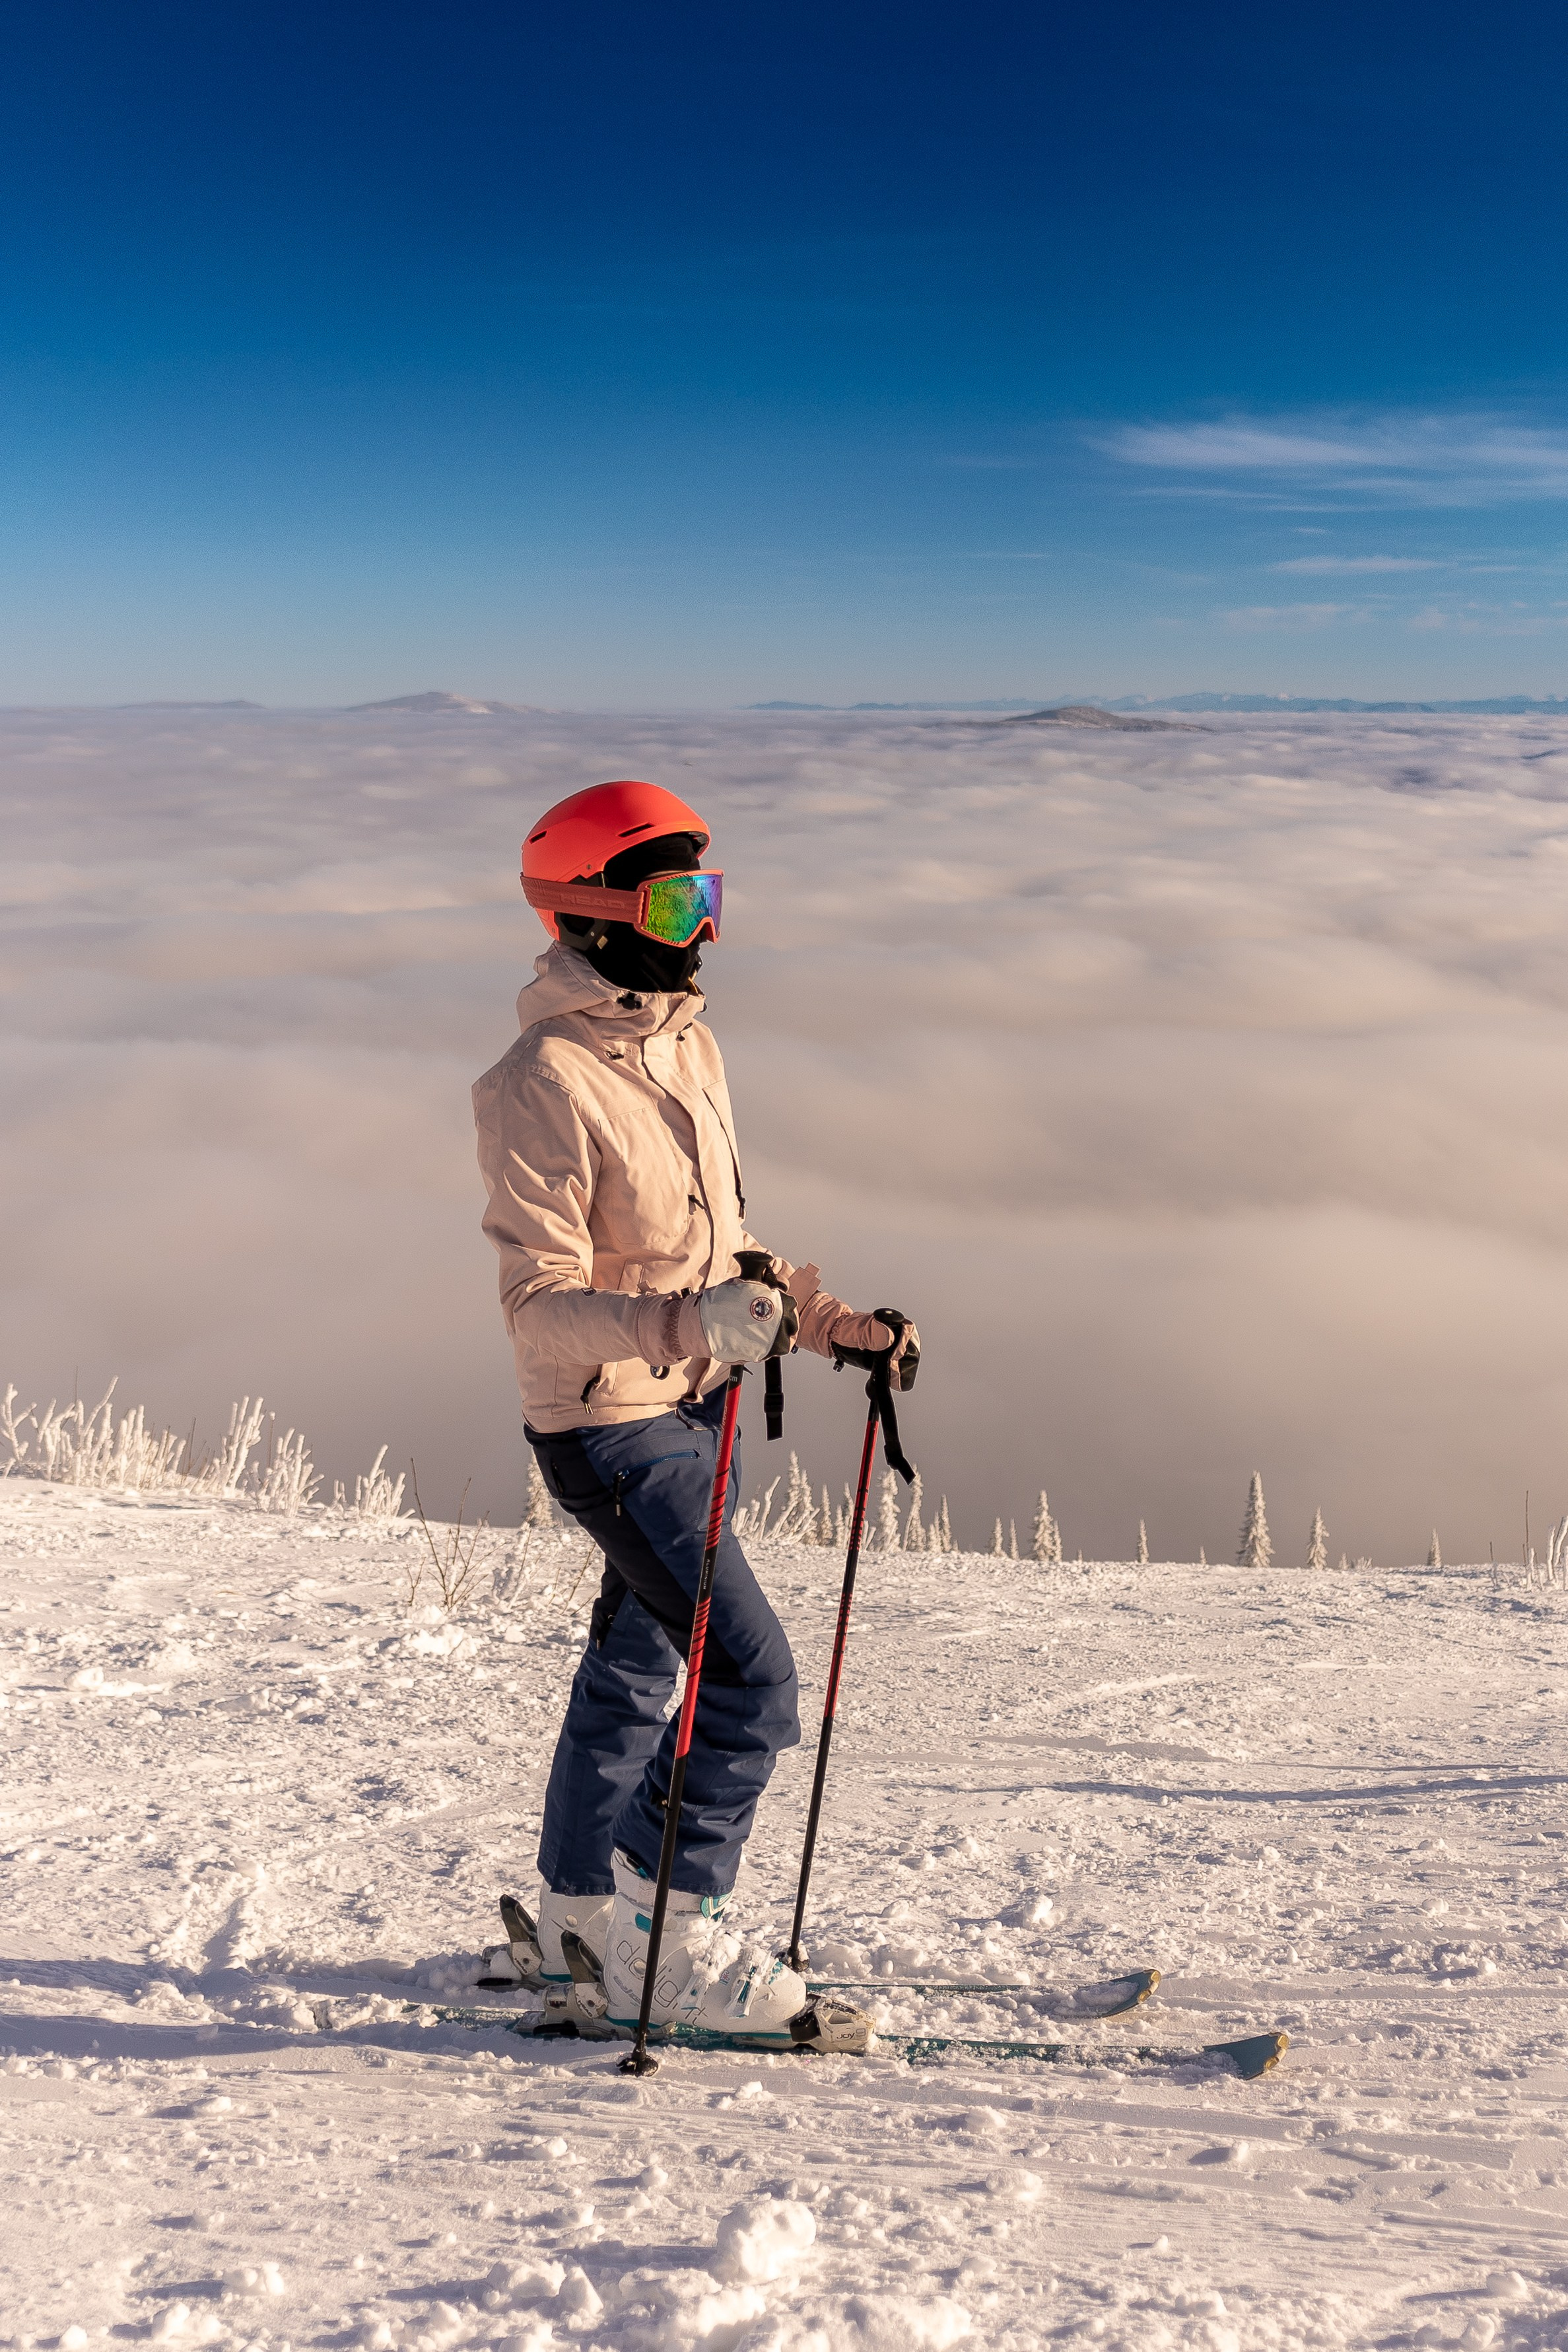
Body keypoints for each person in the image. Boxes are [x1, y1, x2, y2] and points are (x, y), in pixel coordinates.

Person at [472, 778, 918, 2046]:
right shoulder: (540, 1080)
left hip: (695, 1398)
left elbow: (727, 1247)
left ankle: (577, 1921)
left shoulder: (684, 1041)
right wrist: (690, 1328)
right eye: (678, 897)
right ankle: (668, 1933)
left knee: (639, 1657)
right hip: (608, 1421)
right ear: (598, 911)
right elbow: (539, 1306)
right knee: (752, 1679)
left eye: (708, 894)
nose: (703, 926)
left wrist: (829, 1324)